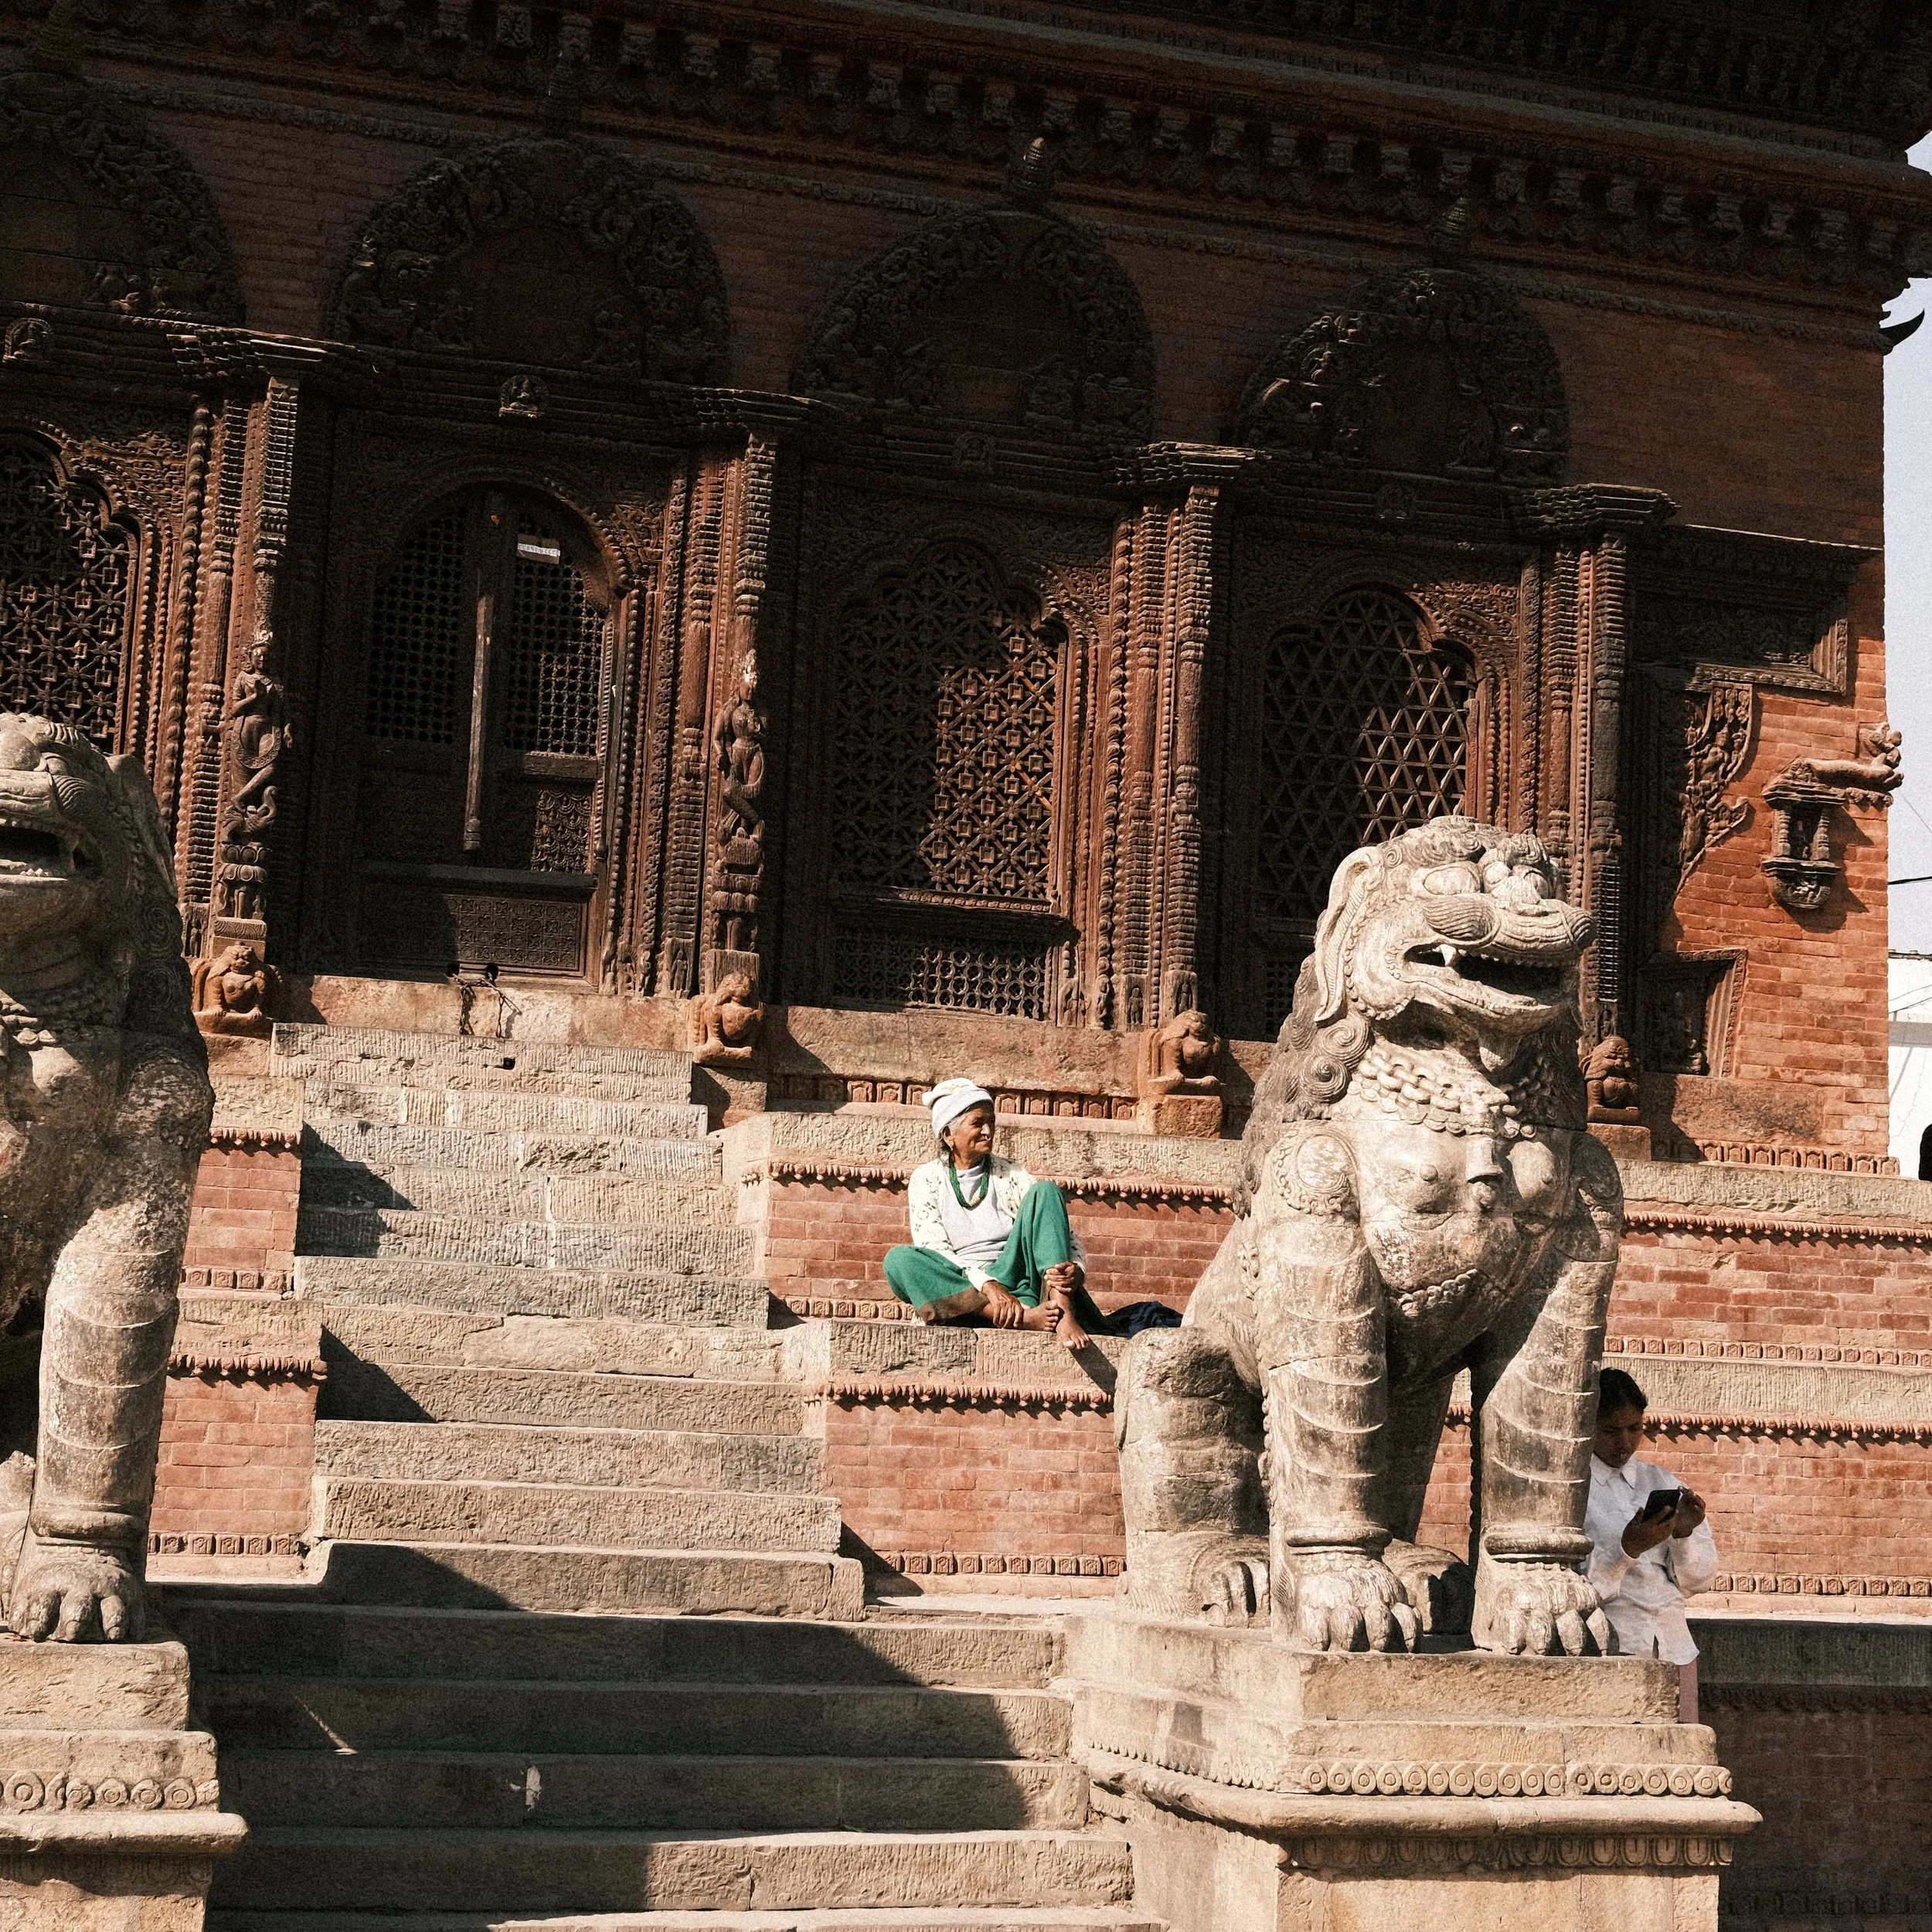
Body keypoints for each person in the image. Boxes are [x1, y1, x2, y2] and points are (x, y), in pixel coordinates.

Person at [883, 1078, 1114, 1350]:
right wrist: (988, 1286)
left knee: (1046, 1191)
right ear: (948, 1135)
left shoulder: (1012, 1173)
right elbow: (934, 1248)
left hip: (1018, 1280)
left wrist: (1077, 1269)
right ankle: (1020, 1318)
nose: (988, 1131)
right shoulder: (926, 1179)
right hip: (967, 1290)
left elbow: (1061, 1234)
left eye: (991, 1122)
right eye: (978, 1123)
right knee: (898, 1260)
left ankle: (1062, 1311)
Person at [1585, 1366, 1719, 1721]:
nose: (1625, 1443)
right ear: (1587, 1425)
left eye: (1635, 1429)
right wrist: (1628, 1549)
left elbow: (1698, 1582)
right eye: (1612, 1430)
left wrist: (1684, 1535)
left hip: (1674, 1645)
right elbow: (1582, 1589)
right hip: (1615, 1644)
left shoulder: (1659, 1480)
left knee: (1683, 1761)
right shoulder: (1575, 1490)